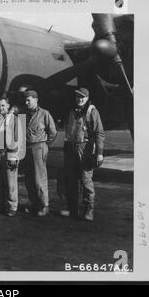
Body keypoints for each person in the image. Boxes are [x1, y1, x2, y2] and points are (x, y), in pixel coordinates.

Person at [61, 87, 105, 221]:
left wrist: (99, 153)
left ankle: (89, 210)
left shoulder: (92, 111)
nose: (79, 99)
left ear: (87, 98)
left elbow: (99, 133)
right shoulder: (72, 111)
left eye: (82, 97)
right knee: (70, 179)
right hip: (71, 148)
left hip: (85, 149)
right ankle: (72, 209)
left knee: (86, 180)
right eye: (77, 97)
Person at [23, 89, 57, 216]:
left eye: (29, 100)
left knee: (39, 178)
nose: (26, 102)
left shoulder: (44, 113)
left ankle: (44, 205)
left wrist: (45, 144)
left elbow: (53, 132)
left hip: (39, 147)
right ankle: (34, 203)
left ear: (36, 100)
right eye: (25, 100)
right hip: (26, 148)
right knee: (29, 178)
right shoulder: (23, 114)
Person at [0, 97, 20, 217]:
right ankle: (0, 203)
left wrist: (13, 156)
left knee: (10, 181)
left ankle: (12, 206)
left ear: (8, 106)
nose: (1, 108)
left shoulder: (15, 119)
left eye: (3, 106)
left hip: (9, 152)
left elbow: (18, 139)